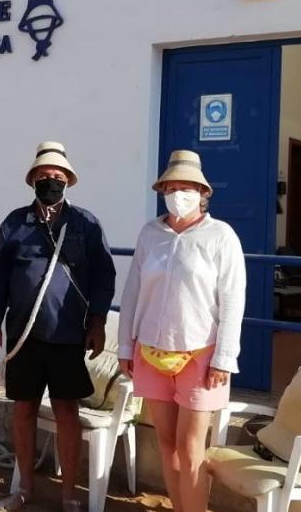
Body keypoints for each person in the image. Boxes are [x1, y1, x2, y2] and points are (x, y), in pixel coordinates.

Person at [0, 141, 116, 512]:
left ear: (69, 181)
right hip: (24, 336)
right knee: (23, 411)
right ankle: (24, 489)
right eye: (43, 176)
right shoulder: (14, 223)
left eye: (57, 176)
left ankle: (69, 495)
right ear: (32, 181)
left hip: (69, 335)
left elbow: (105, 276)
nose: (50, 181)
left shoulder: (85, 224)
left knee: (66, 413)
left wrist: (99, 321)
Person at [117, 150, 246, 512]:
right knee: (167, 444)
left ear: (202, 192)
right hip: (150, 352)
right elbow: (132, 293)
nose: (178, 194)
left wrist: (224, 357)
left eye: (186, 187)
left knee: (191, 449)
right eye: (171, 187)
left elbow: (233, 300)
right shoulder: (150, 234)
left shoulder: (221, 236)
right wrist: (125, 348)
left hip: (200, 355)